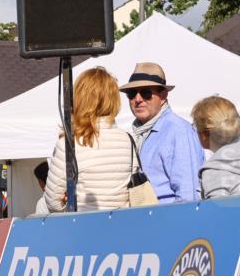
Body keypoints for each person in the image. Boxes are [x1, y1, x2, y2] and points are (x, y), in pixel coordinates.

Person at [45, 67, 136, 212]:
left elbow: (53, 202)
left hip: (84, 227)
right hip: (122, 227)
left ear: (78, 98)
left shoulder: (69, 144)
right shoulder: (128, 140)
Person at [120, 62, 203, 203]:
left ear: (163, 95)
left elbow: (188, 195)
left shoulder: (179, 131)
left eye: (146, 93)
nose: (138, 99)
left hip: (168, 220)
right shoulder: (136, 133)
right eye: (132, 94)